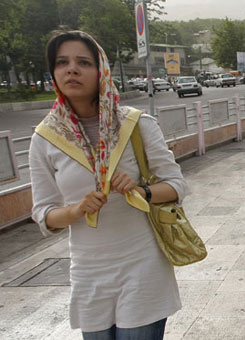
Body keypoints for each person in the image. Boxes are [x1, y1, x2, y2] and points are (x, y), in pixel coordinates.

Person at [29, 30, 187, 340]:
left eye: (83, 62)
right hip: (89, 274)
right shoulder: (45, 138)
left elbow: (177, 186)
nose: (72, 69)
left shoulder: (136, 124)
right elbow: (44, 215)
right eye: (62, 62)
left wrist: (140, 192)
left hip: (142, 265)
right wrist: (76, 209)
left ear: (101, 70)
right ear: (53, 72)